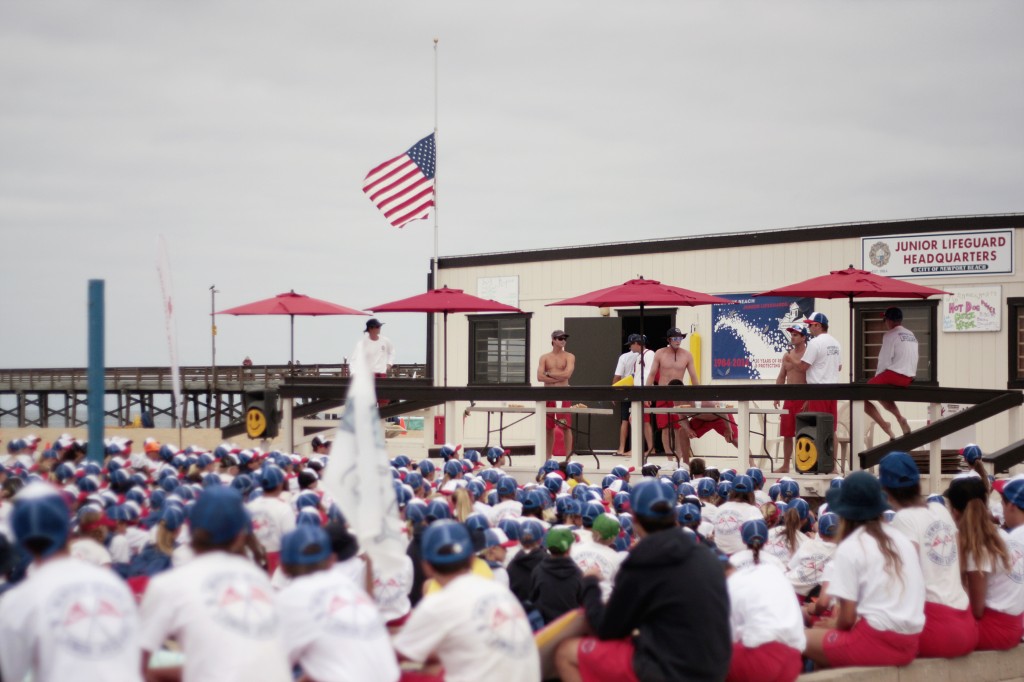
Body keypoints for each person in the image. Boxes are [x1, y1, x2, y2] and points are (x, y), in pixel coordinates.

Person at [554, 479, 731, 682]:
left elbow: (607, 629)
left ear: (635, 519)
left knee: (566, 653)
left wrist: (590, 584)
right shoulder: (706, 555)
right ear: (674, 515)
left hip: (672, 671)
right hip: (715, 668)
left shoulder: (641, 561)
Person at [139, 486, 292, 682]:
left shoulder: (169, 584)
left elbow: (137, 663)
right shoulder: (257, 578)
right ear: (239, 535)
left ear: (190, 528)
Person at [0, 484, 143, 682]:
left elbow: (10, 675)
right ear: (68, 528)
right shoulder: (113, 583)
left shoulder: (17, 600)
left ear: (20, 539)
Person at [802, 471, 925, 669]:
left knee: (799, 637)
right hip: (910, 642)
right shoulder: (901, 539)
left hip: (876, 642)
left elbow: (846, 619)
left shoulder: (850, 546)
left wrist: (832, 626)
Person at [393, 520, 541, 682]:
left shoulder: (437, 604)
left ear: (426, 566)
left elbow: (394, 656)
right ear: (472, 559)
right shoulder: (497, 589)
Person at [879, 451, 977, 658]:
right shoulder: (939, 510)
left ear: (885, 490)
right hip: (965, 622)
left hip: (935, 629)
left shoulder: (903, 520)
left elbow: (903, 580)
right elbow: (959, 568)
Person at [275, 525, 399, 682]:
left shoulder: (290, 598)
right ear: (332, 560)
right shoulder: (349, 587)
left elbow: (268, 667)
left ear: (283, 568)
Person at [947, 476, 1024, 651]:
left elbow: (977, 610)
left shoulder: (978, 545)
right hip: (1014, 626)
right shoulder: (1001, 536)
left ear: (955, 512)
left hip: (995, 629)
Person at [646, 327, 700, 464]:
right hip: (663, 392)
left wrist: (698, 396)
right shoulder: (660, 353)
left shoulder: (687, 355)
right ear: (669, 340)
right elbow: (652, 374)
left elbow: (694, 376)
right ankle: (670, 459)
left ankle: (679, 458)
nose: (678, 341)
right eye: (675, 338)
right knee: (665, 427)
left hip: (679, 394)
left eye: (680, 338)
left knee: (680, 427)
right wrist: (646, 395)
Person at [864, 307, 919, 440]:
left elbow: (884, 360)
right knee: (881, 394)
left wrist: (877, 377)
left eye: (885, 320)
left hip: (895, 375)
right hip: (909, 377)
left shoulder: (890, 335)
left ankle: (884, 425)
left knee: (862, 394)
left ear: (889, 320)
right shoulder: (911, 334)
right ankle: (900, 418)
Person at [799, 312, 842, 463]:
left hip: (818, 389)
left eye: (810, 325)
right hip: (833, 389)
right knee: (831, 430)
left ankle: (818, 463)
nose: (809, 328)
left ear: (818, 325)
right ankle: (833, 465)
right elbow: (840, 367)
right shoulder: (836, 343)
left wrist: (793, 362)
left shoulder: (815, 343)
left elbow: (803, 366)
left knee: (816, 428)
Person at [774, 324, 809, 473]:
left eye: (796, 334)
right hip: (789, 398)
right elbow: (782, 376)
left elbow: (813, 378)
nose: (793, 337)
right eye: (792, 334)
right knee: (787, 433)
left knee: (805, 433)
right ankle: (786, 465)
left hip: (803, 397)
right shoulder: (787, 355)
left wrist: (809, 399)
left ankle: (805, 464)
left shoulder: (808, 354)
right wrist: (777, 395)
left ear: (803, 337)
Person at [612, 333, 655, 455]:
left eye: (631, 344)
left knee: (640, 420)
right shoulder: (638, 357)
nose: (630, 348)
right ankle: (643, 448)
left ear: (636, 343)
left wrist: (646, 394)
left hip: (642, 392)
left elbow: (649, 374)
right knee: (636, 419)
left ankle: (643, 448)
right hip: (638, 392)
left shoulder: (649, 354)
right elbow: (636, 376)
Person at [537, 329, 576, 459]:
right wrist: (558, 377)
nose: (563, 341)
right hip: (548, 394)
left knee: (565, 426)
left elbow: (567, 374)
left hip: (563, 393)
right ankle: (548, 457)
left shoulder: (569, 356)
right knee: (549, 427)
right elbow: (539, 377)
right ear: (553, 340)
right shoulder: (545, 357)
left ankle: (568, 457)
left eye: (565, 338)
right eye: (560, 338)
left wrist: (549, 374)